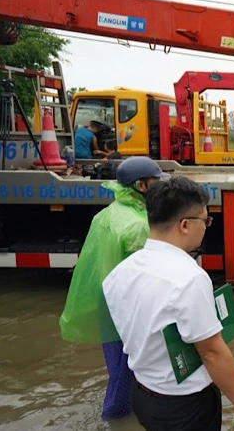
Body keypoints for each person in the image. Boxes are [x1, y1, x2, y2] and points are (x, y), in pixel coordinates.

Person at [102, 177, 234, 431]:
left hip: (142, 393)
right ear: (185, 225)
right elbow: (211, 351)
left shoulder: (119, 273)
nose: (207, 226)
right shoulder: (189, 278)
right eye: (206, 220)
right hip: (185, 404)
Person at [58, 156, 169, 419]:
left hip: (106, 304)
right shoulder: (138, 226)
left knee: (117, 370)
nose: (161, 188)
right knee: (126, 380)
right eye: (157, 182)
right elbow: (146, 281)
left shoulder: (106, 214)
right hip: (129, 314)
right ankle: (115, 420)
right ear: (142, 186)